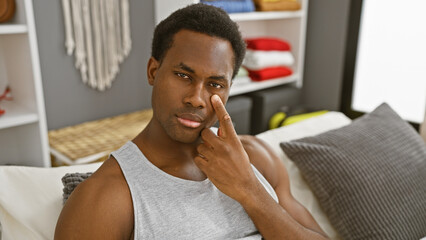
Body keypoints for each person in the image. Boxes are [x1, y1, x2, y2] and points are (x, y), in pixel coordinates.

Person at [55, 3, 328, 240]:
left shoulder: (256, 157)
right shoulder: (105, 198)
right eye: (183, 76)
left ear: (229, 89)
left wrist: (250, 190)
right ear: (153, 71)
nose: (197, 99)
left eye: (215, 84)